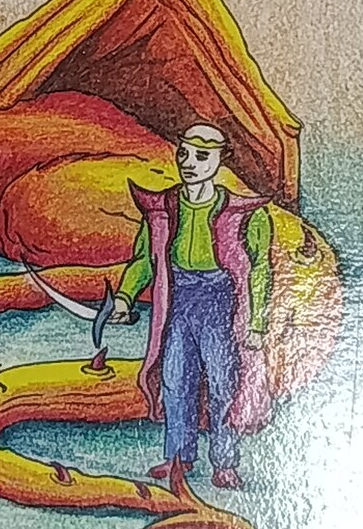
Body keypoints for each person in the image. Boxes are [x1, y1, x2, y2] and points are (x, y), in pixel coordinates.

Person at [108, 124, 274, 490]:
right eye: (184, 153)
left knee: (223, 383)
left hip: (220, 301)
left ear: (220, 159)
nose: (189, 162)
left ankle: (225, 462)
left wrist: (257, 322)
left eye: (201, 156)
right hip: (178, 299)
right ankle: (178, 457)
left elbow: (260, 268)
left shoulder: (244, 214)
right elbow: (144, 259)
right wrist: (124, 296)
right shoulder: (161, 209)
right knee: (176, 379)